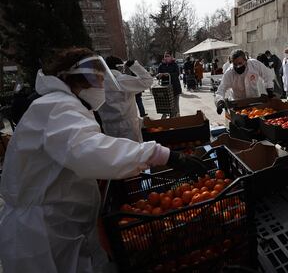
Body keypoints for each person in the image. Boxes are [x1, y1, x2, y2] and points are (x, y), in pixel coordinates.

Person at [0, 47, 207, 273]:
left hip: (57, 224)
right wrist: (162, 155)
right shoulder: (57, 107)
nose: (102, 87)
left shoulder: (63, 104)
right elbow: (88, 150)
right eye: (97, 80)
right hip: (42, 234)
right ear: (78, 80)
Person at [98, 56, 153, 142]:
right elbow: (148, 80)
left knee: (116, 152)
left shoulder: (98, 82)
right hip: (127, 125)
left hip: (108, 126)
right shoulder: (121, 80)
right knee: (134, 151)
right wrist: (134, 66)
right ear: (119, 67)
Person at [215, 49, 275, 114]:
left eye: (240, 63)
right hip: (238, 104)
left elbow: (267, 75)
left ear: (245, 60)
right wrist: (219, 101)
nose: (238, 66)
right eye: (235, 64)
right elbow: (221, 89)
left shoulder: (255, 65)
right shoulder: (229, 73)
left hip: (254, 101)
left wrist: (269, 88)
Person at [157, 51, 182, 117]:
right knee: (166, 105)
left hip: (175, 87)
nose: (166, 57)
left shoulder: (174, 64)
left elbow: (177, 73)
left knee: (175, 105)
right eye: (165, 56)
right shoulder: (161, 65)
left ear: (171, 57)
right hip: (165, 88)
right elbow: (157, 75)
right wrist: (159, 75)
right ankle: (168, 118)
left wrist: (168, 74)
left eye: (168, 56)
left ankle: (177, 117)